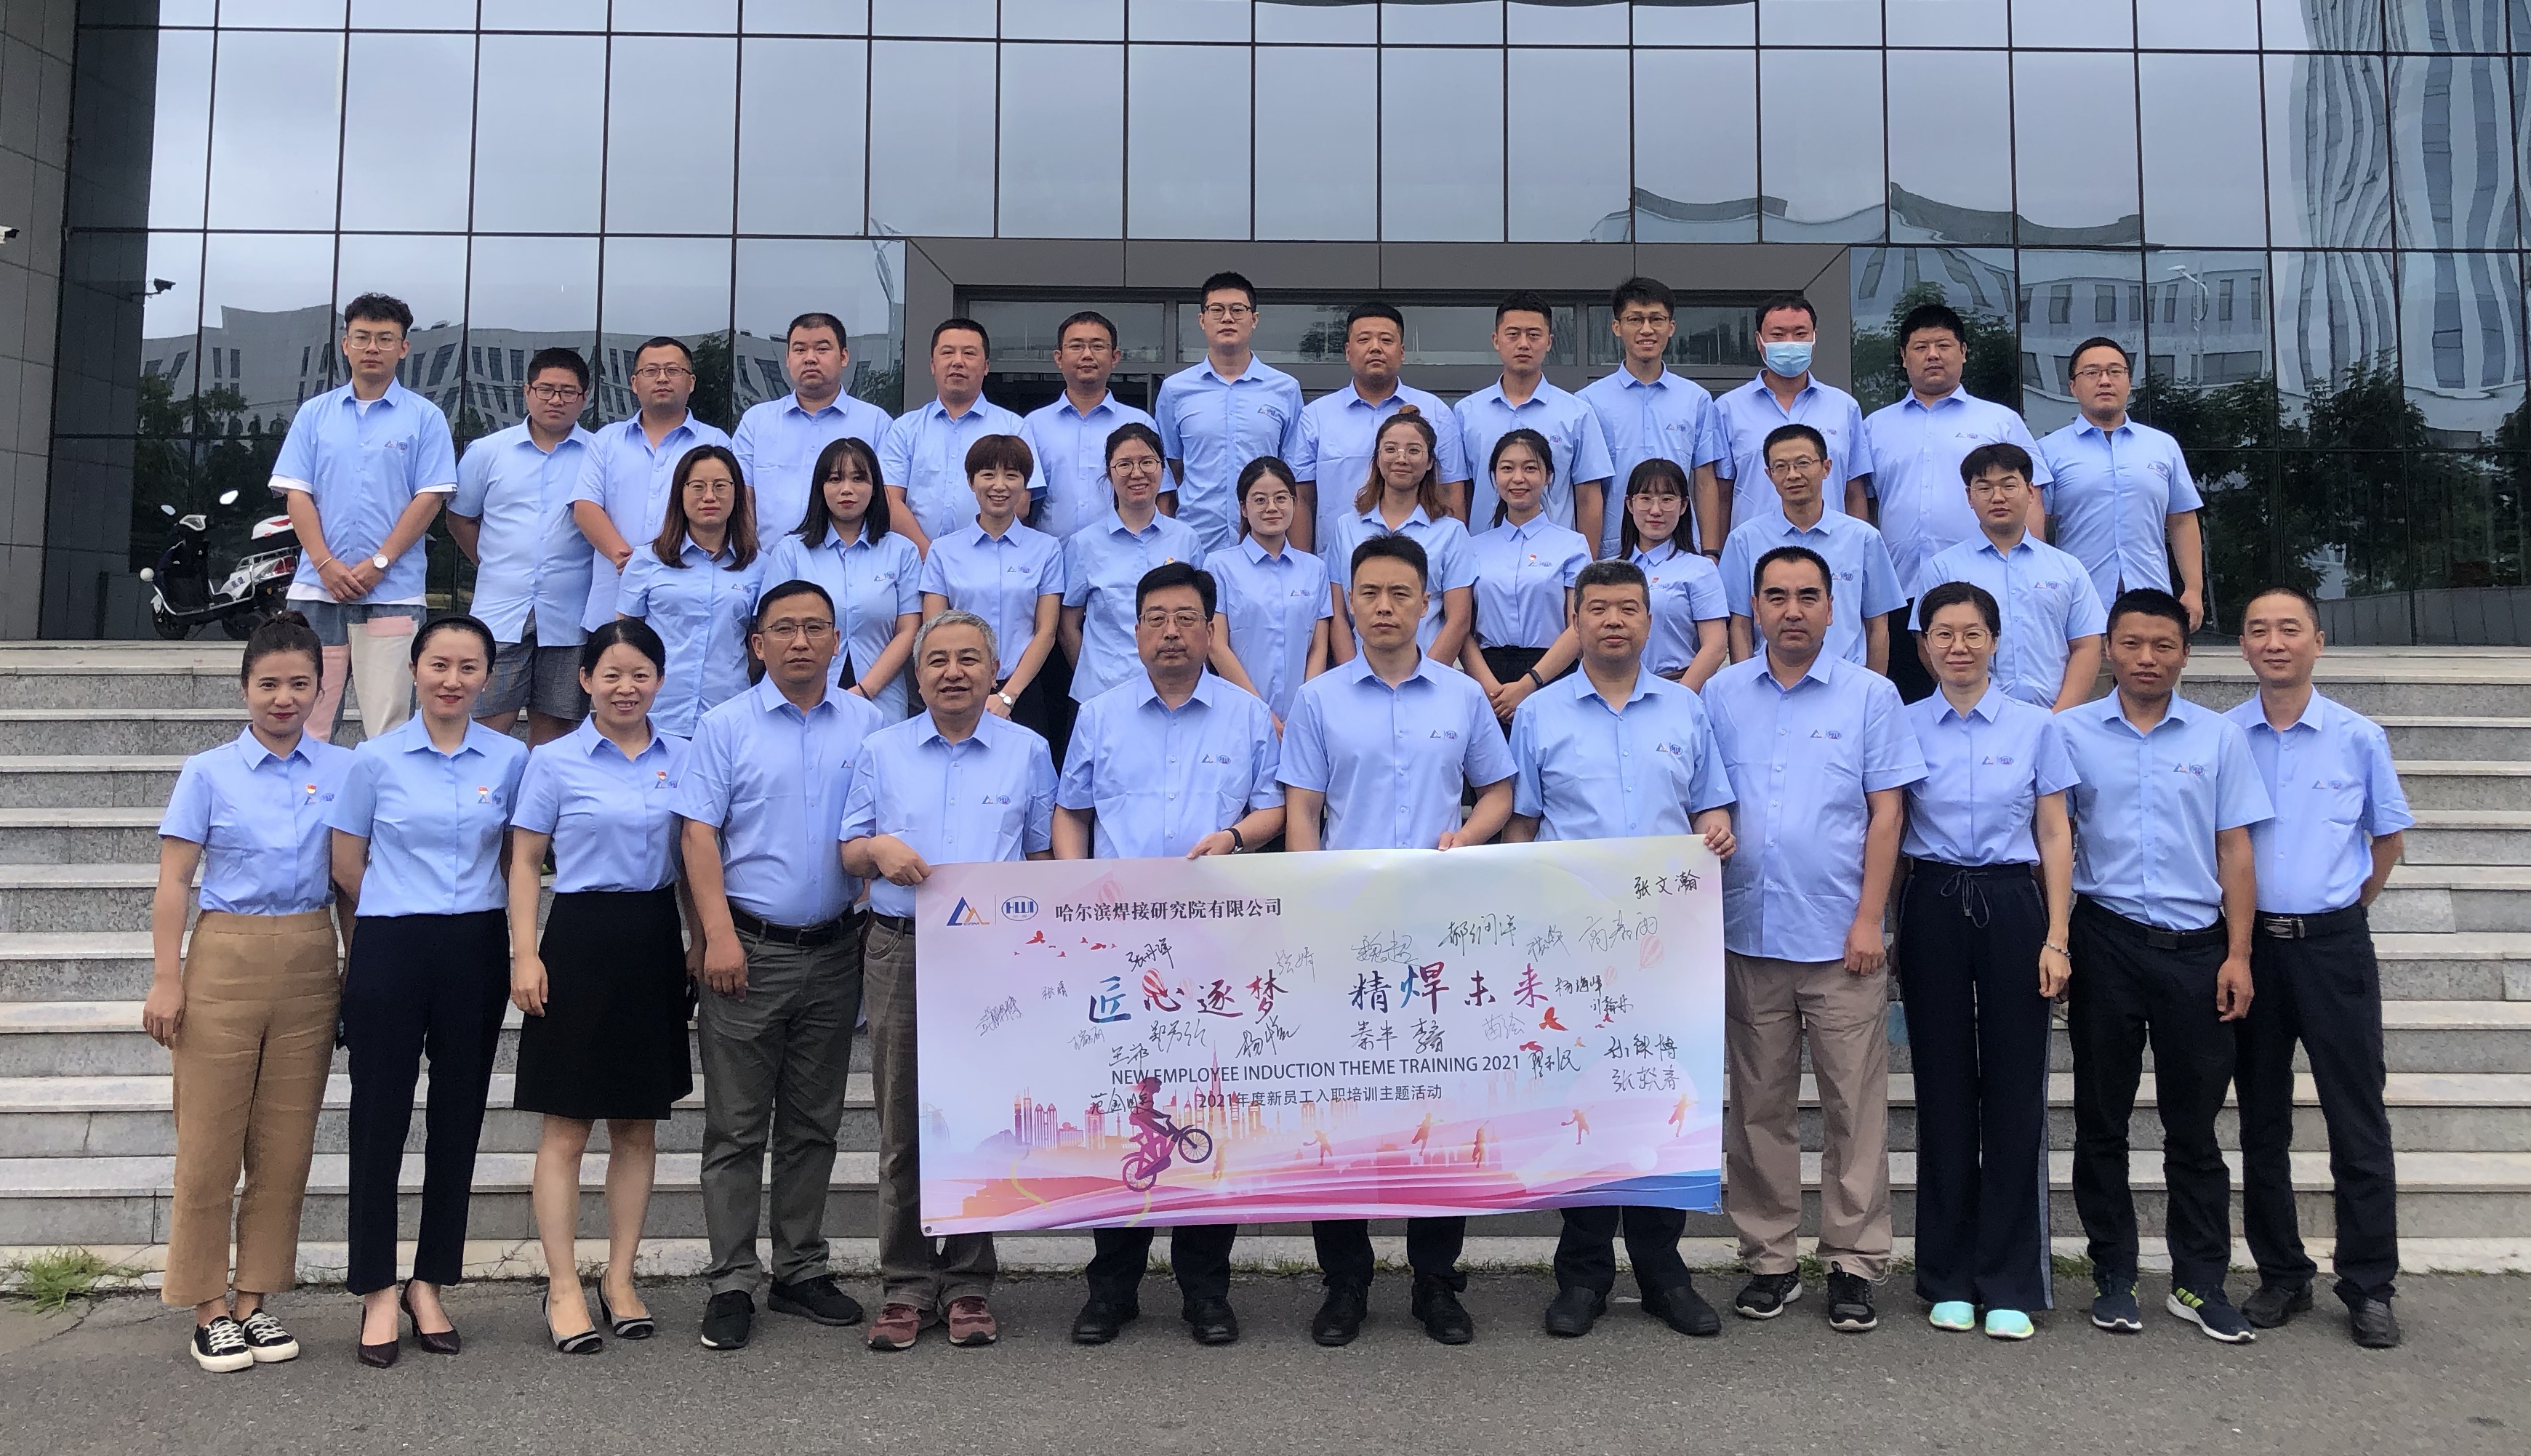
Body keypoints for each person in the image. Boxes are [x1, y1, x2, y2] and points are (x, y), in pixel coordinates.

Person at [1278, 534, 1516, 1347]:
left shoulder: (1461, 697)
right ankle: (1344, 1280)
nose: (1384, 606)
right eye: (1370, 593)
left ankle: (1435, 1280)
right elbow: (1303, 810)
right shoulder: (1318, 700)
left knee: (1439, 1108)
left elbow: (1498, 790)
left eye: (1400, 593)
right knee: (1338, 1106)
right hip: (1345, 930)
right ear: (1349, 602)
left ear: (1426, 604)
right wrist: (1309, 904)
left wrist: (1469, 835)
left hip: (1437, 931)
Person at [1501, 560, 1737, 1341]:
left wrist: (1717, 835)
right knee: (1584, 1104)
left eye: (1627, 608)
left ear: (1648, 621)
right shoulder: (1539, 715)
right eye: (1597, 608)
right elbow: (1522, 827)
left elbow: (1709, 810)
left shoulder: (1685, 708)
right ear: (1575, 620)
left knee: (1662, 1099)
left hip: (1666, 945)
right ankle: (1583, 1273)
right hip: (1573, 948)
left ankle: (1663, 1270)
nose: (1612, 620)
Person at [1059, 563, 1286, 1348]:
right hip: (1122, 949)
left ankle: (1205, 1291)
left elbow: (1274, 807)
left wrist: (1235, 837)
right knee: (1122, 1113)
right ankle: (1111, 1289)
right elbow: (1071, 809)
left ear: (1210, 630)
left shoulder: (1247, 715)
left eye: (1186, 618)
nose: (1170, 632)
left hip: (1213, 948)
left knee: (1205, 1115)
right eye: (1155, 618)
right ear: (1134, 631)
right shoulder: (1098, 714)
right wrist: (1078, 892)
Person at [1701, 546, 1926, 1335]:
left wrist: (1870, 918)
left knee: (1852, 1110)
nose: (1791, 610)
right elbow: (1705, 795)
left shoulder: (1871, 695)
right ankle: (1768, 1258)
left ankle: (1852, 1262)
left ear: (1832, 608)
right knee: (1757, 1110)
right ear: (1755, 608)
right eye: (1775, 596)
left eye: (1807, 595)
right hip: (1748, 934)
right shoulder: (1721, 693)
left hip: (1841, 940)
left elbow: (1887, 813)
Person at [674, 579, 886, 1353]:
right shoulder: (724, 725)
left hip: (836, 949)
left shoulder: (869, 724)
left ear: (837, 641)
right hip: (748, 949)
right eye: (784, 628)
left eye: (815, 627)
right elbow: (697, 833)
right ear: (757, 643)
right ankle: (732, 1278)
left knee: (812, 1122)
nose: (801, 641)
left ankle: (800, 1268)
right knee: (735, 1126)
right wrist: (715, 934)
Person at [841, 609, 1059, 1351]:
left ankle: (967, 1282)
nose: (953, 672)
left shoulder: (1028, 751)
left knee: (977, 1121)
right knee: (903, 1125)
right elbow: (848, 851)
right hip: (901, 946)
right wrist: (877, 848)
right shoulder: (882, 749)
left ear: (993, 670)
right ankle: (905, 1283)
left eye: (969, 658)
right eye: (937, 659)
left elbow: (1041, 858)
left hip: (992, 958)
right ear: (917, 673)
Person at [2061, 587, 2271, 1344]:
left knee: (2194, 1127)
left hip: (2197, 949)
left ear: (2184, 654)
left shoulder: (2219, 737)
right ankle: (2113, 1273)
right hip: (2105, 940)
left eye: (2162, 645)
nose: (2145, 658)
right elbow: (2052, 839)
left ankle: (2198, 1279)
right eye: (2130, 643)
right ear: (2108, 650)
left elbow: (2234, 849)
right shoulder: (2070, 733)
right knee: (2101, 1118)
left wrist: (2239, 954)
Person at [145, 612, 353, 1372]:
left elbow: (350, 884)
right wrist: (167, 976)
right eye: (269, 683)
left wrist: (357, 972)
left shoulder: (344, 770)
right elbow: (174, 880)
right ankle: (206, 1304)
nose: (283, 697)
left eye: (299, 683)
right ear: (244, 688)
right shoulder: (208, 771)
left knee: (285, 1144)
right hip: (225, 956)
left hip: (309, 956)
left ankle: (253, 1298)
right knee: (208, 1142)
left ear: (321, 688)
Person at [325, 615, 529, 1367]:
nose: (452, 679)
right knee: (379, 1115)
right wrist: (392, 911)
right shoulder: (373, 759)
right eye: (439, 664)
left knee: (458, 1115)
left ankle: (430, 1279)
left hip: (474, 943)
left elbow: (516, 859)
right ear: (414, 668)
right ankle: (377, 1286)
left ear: (487, 677)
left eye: (468, 667)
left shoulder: (510, 759)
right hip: (390, 941)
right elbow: (347, 862)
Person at [2224, 585, 2412, 1349]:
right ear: (2242, 645)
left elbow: (2386, 840)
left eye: (2289, 628)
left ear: (2317, 641)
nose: (2274, 642)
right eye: (2258, 630)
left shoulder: (2358, 736)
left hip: (2334, 947)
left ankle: (2368, 1284)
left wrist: (2338, 908)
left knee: (2355, 1116)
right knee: (2261, 1118)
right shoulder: (2222, 737)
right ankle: (2281, 1272)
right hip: (2250, 948)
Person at [1893, 581, 2079, 1342]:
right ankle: (1945, 1274)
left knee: (2012, 1088)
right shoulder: (1903, 724)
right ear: (1923, 645)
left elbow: (2055, 833)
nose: (1958, 646)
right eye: (1942, 633)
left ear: (1995, 641)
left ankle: (2008, 1278)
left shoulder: (2037, 726)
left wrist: (2057, 935)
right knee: (1941, 1087)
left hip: (2012, 904)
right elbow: (1889, 827)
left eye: (1972, 633)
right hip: (1932, 899)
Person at [506, 619, 694, 1355]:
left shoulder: (682, 757)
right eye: (611, 673)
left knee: (637, 1126)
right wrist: (525, 954)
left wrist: (699, 938)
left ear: (660, 680)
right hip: (578, 940)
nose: (626, 687)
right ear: (585, 679)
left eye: (640, 673)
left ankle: (619, 1277)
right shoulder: (552, 762)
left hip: (653, 939)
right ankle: (561, 1286)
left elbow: (694, 856)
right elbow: (526, 862)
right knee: (566, 1126)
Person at [270, 291, 458, 742]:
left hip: (392, 593)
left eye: (385, 338)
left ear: (404, 347)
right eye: (362, 337)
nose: (373, 347)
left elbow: (429, 499)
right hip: (317, 591)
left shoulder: (426, 418)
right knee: (306, 722)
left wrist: (380, 563)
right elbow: (296, 494)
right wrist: (325, 564)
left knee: (389, 724)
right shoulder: (314, 415)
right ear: (345, 344)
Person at [1859, 303, 2053, 703]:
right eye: (1921, 347)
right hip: (1898, 591)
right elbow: (1864, 503)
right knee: (1907, 706)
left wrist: (2027, 565)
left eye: (1944, 345)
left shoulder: (1999, 421)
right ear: (1904, 356)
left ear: (1963, 352)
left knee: (1985, 702)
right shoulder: (1876, 426)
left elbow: (2031, 497)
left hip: (1982, 590)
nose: (1933, 355)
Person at [449, 345, 598, 746]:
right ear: (527, 391)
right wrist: (491, 562)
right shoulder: (487, 452)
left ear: (584, 397)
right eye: (545, 389)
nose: (555, 400)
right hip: (500, 610)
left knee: (555, 733)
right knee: (488, 726)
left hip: (569, 615)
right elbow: (460, 518)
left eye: (568, 392)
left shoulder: (600, 455)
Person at [1920, 443, 2106, 712]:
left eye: (2009, 486)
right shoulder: (1942, 569)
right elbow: (1930, 646)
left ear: (2030, 492)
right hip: (1974, 717)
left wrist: (2057, 718)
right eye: (1985, 488)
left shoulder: (2067, 568)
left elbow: (2086, 646)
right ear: (1969, 496)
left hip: (2054, 718)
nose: (1998, 497)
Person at [2036, 337, 2207, 630]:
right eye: (2092, 372)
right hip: (2079, 606)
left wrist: (2193, 589)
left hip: (2152, 601)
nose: (2105, 381)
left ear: (2129, 382)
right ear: (2073, 386)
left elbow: (2181, 520)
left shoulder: (2162, 446)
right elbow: (2037, 529)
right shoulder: (2048, 451)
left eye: (2115, 371)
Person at [570, 336, 733, 627]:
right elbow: (585, 507)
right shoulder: (607, 440)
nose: (662, 378)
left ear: (691, 382)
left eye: (673, 370)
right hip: (613, 599)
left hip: (686, 601)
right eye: (651, 371)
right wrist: (631, 562)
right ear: (634, 383)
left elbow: (725, 511)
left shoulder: (715, 442)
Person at [758, 435, 922, 719]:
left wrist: (865, 691)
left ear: (875, 487)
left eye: (859, 478)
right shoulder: (791, 552)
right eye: (835, 479)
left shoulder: (902, 552)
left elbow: (909, 631)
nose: (847, 489)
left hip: (881, 704)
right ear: (820, 488)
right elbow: (774, 628)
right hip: (801, 701)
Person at [917, 434, 1066, 742]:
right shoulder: (943, 551)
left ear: (1025, 484)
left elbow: (1046, 631)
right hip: (957, 686)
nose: (999, 486)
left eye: (1011, 475)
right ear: (971, 482)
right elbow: (933, 630)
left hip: (1023, 690)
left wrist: (1008, 697)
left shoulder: (1046, 549)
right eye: (988, 475)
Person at [1720, 425, 1902, 674]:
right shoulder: (1744, 540)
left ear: (1826, 468)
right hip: (1771, 681)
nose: (1793, 475)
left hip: (1847, 680)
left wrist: (1873, 687)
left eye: (1803, 463)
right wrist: (1745, 683)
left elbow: (1878, 626)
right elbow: (1740, 625)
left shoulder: (1864, 538)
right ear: (1769, 475)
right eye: (1781, 466)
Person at [1291, 301, 1470, 552]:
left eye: (1386, 340)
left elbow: (1452, 493)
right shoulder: (1316, 416)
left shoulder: (1436, 411)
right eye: (1364, 339)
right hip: (1339, 561)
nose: (1375, 347)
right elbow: (1301, 499)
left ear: (1402, 352)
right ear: (1347, 351)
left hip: (1421, 561)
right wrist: (1303, 566)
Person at [614, 445, 766, 738]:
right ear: (679, 493)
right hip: (657, 712)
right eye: (698, 486)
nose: (709, 496)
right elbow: (626, 638)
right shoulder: (646, 560)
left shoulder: (759, 566)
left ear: (737, 493)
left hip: (728, 712)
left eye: (720, 486)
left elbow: (759, 645)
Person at [1062, 423, 1214, 715]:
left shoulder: (1186, 539)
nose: (1137, 473)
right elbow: (1068, 624)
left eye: (1147, 462)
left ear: (1162, 469)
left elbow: (1202, 614)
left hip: (1174, 693)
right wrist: (1092, 673)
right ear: (1109, 474)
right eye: (1124, 464)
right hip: (1102, 695)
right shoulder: (1084, 544)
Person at [1154, 270, 1304, 552]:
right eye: (1217, 310)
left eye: (1237, 310)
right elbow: (1169, 472)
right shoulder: (1175, 390)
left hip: (1264, 541)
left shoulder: (1285, 389)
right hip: (1195, 540)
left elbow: (1293, 475)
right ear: (1202, 320)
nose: (1227, 318)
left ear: (1254, 319)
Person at [1578, 276, 1727, 558]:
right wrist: (1589, 559)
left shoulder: (1696, 399)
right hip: (1614, 550)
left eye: (1656, 319)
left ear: (1671, 327)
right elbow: (1587, 490)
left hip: (1682, 550)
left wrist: (1710, 551)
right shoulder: (1588, 402)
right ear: (1617, 327)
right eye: (1635, 319)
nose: (1646, 329)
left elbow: (1705, 480)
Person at [1709, 292, 1871, 548]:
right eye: (1778, 335)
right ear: (1759, 341)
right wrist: (1716, 555)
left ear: (1814, 338)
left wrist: (1860, 551)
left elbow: (1854, 492)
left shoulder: (1844, 407)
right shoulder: (1728, 409)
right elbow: (1722, 495)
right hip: (1755, 552)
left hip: (1833, 553)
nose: (1790, 343)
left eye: (1800, 334)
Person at [1453, 291, 1616, 542]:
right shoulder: (1466, 413)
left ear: (1549, 342)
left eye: (1533, 335)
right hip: (1482, 553)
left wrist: (1586, 562)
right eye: (1513, 334)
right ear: (1496, 340)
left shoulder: (1577, 413)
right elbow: (1457, 493)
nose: (1523, 344)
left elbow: (1588, 497)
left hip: (1557, 556)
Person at [731, 311, 895, 552]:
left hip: (851, 563)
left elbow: (887, 499)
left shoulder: (875, 423)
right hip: (770, 563)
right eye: (800, 350)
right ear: (787, 359)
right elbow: (742, 496)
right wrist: (751, 557)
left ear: (844, 357)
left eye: (822, 349)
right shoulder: (757, 422)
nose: (810, 358)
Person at [1460, 429, 1589, 729]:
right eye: (1507, 468)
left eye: (1530, 468)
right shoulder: (1473, 547)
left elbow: (1578, 626)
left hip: (1553, 677)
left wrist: (1529, 684)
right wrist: (1493, 690)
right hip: (1488, 682)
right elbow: (1461, 626)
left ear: (1548, 477)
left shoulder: (1572, 545)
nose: (1518, 478)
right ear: (1494, 477)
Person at [1326, 408, 1475, 667]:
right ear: (1377, 458)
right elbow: (1338, 614)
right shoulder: (1346, 527)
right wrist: (1351, 676)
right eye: (1391, 449)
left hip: (1428, 673)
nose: (1401, 458)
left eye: (1414, 450)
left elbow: (1459, 620)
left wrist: (1426, 676)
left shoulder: (1451, 532)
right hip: (1358, 675)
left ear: (1430, 462)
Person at [881, 317, 1040, 555]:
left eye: (969, 353)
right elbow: (890, 501)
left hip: (990, 560)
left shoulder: (1013, 428)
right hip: (919, 563)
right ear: (932, 365)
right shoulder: (905, 429)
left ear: (986, 367)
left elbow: (1021, 503)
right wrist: (931, 557)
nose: (958, 361)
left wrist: (967, 561)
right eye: (948, 353)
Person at [1206, 456, 1332, 725]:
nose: (1271, 508)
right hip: (1239, 714)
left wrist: (1303, 712)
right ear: (1243, 508)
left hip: (1300, 719)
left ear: (1294, 503)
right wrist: (1263, 714)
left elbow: (1318, 647)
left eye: (1281, 498)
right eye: (1260, 500)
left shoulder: (1315, 569)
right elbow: (1216, 646)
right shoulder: (1219, 566)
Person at [1019, 310, 1160, 542]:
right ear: (1058, 358)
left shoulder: (1140, 424)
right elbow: (1019, 501)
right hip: (1053, 554)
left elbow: (1160, 497)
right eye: (1076, 346)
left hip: (1121, 553)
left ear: (1115, 357)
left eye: (1097, 346)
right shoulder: (1033, 425)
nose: (1087, 355)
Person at [1620, 459, 1730, 690]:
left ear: (1683, 506)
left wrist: (1679, 698)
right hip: (1614, 692)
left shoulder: (1700, 570)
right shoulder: (1609, 570)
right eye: (1645, 499)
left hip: (1676, 686)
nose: (1655, 510)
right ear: (1630, 504)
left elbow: (1715, 646)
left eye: (1667, 499)